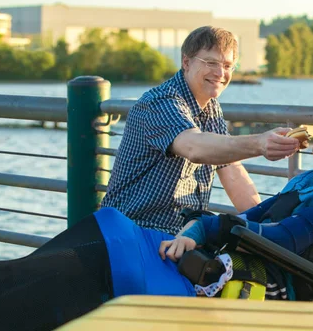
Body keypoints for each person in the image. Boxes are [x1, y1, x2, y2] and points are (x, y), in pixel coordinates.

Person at [0, 106, 313, 331]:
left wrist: (220, 228)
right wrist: (196, 229)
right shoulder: (308, 183)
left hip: (265, 277)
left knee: (99, 262)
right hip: (238, 253)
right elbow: (254, 215)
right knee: (111, 225)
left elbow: (287, 239)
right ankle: (7, 282)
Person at [101, 26, 302, 234]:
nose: (220, 73)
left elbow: (232, 171)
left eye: (227, 65)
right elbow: (194, 147)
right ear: (186, 62)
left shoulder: (211, 107)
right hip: (133, 231)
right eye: (211, 63)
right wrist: (259, 143)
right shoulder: (160, 103)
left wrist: (266, 226)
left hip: (181, 235)